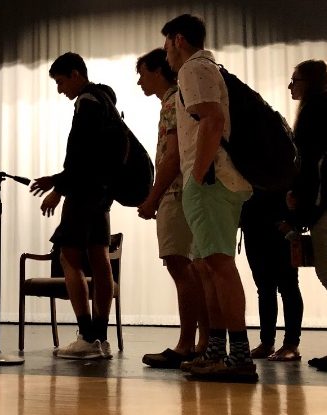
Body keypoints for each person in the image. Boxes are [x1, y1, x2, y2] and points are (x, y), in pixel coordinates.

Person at [162, 14, 257, 382]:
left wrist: (199, 175)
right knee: (207, 268)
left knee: (218, 267)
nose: (166, 54)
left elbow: (213, 120)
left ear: (179, 39)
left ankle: (240, 358)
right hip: (211, 182)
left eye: (168, 44)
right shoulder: (205, 68)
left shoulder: (193, 68)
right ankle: (218, 352)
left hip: (211, 183)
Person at [30, 52, 116, 360]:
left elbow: (82, 157)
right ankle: (102, 338)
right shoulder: (106, 101)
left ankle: (87, 336)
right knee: (99, 256)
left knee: (69, 258)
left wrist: (59, 189)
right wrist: (56, 180)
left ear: (76, 74)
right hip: (102, 193)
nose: (59, 88)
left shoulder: (86, 103)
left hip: (83, 194)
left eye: (61, 81)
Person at [136, 48, 209, 369]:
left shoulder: (171, 102)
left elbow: (173, 155)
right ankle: (204, 341)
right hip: (184, 192)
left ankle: (187, 343)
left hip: (177, 193)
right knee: (193, 268)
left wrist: (154, 196)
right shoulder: (176, 101)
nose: (139, 81)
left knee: (182, 266)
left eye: (143, 73)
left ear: (157, 71)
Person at [285, 59, 327, 371]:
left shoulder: (316, 111)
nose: (291, 86)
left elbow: (309, 161)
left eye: (295, 79)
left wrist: (299, 197)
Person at [241, 188, 304, 362]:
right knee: (265, 287)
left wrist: (292, 220)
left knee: (288, 285)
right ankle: (267, 342)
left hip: (280, 223)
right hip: (253, 222)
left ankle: (291, 344)